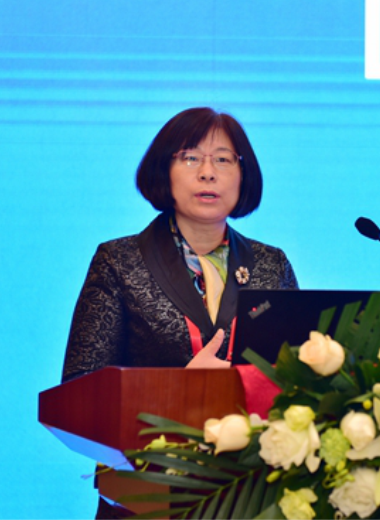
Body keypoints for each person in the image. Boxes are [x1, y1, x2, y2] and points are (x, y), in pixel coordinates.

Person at [61, 107, 298, 519]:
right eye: (190, 158)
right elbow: (80, 392)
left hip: (251, 494)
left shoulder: (270, 264)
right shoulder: (119, 262)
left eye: (223, 159)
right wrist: (181, 391)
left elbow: (296, 378)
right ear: (164, 170)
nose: (208, 173)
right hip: (145, 496)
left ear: (243, 175)